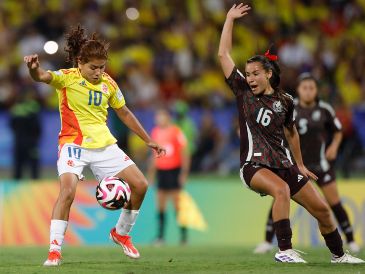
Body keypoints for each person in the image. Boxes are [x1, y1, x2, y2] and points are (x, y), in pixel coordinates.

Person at [218, 3, 363, 263]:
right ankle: (284, 250)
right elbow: (222, 55)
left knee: (323, 210)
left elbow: (291, 132)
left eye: (255, 73)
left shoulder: (285, 100)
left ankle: (339, 256)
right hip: (254, 165)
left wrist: (300, 164)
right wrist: (229, 19)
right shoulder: (243, 93)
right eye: (247, 73)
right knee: (281, 190)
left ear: (268, 74)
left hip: (284, 165)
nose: (249, 78)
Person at [24, 25, 165, 266]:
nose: (98, 72)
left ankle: (121, 233)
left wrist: (147, 139)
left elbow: (124, 112)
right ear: (80, 62)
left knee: (141, 185)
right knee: (67, 192)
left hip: (104, 146)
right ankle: (54, 250)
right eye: (93, 67)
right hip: (73, 145)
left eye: (102, 67)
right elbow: (43, 76)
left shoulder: (108, 83)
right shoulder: (67, 78)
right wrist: (34, 69)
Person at [254, 73, 360, 254]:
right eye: (305, 88)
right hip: (294, 165)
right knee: (280, 198)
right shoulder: (288, 106)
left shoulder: (324, 109)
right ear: (298, 90)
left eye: (312, 88)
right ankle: (266, 241)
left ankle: (350, 241)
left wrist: (334, 146)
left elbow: (338, 131)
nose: (308, 91)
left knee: (334, 203)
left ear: (316, 90)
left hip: (320, 165)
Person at [148, 108, 190, 245]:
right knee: (160, 205)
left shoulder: (176, 131)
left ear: (167, 117)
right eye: (158, 116)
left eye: (161, 116)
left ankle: (183, 237)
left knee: (177, 204)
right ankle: (160, 237)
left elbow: (185, 152)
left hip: (174, 171)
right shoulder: (155, 132)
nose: (159, 119)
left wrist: (183, 173)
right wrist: (151, 174)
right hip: (161, 171)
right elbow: (154, 156)